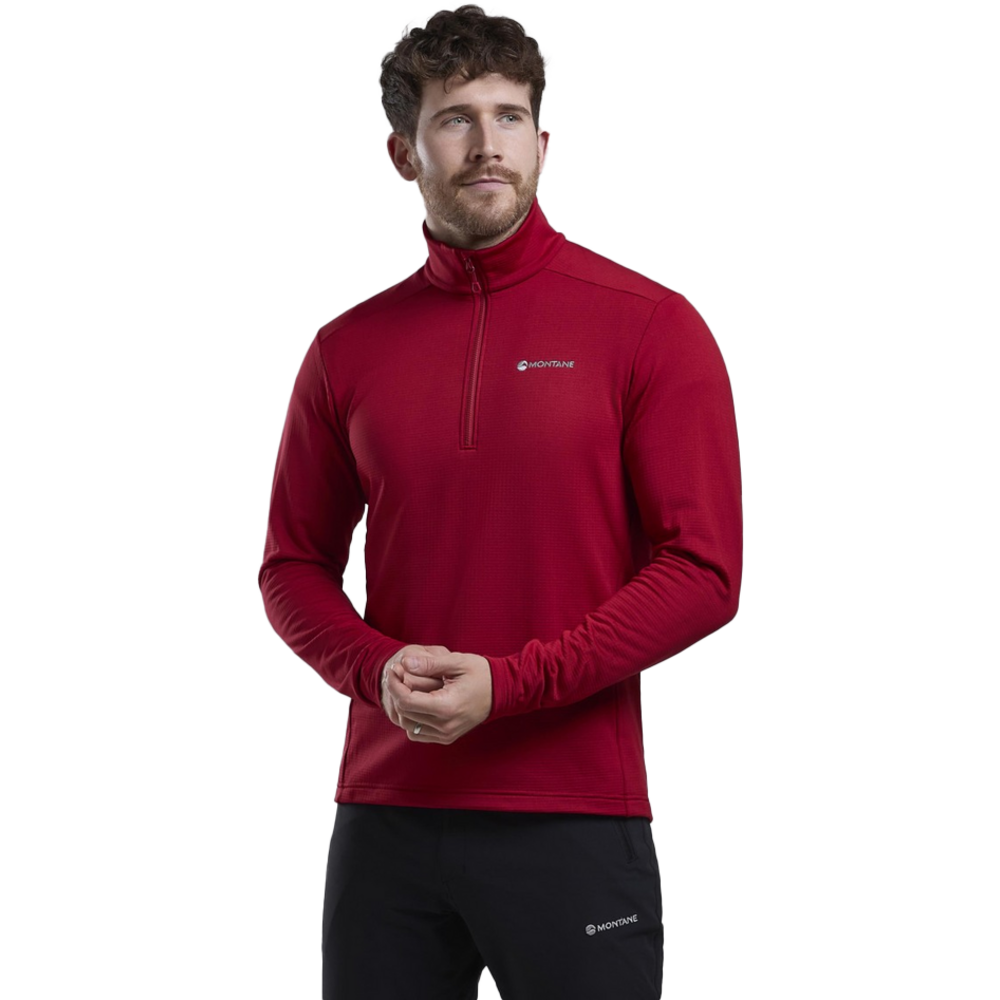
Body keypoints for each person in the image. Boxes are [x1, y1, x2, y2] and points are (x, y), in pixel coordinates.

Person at [258, 3, 742, 997]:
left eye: (509, 115)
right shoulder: (344, 349)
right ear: (403, 152)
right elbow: (291, 565)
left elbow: (704, 571)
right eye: (455, 118)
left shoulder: (652, 325)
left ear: (543, 141)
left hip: (573, 814)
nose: (487, 144)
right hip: (386, 813)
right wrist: (374, 668)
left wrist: (512, 685)